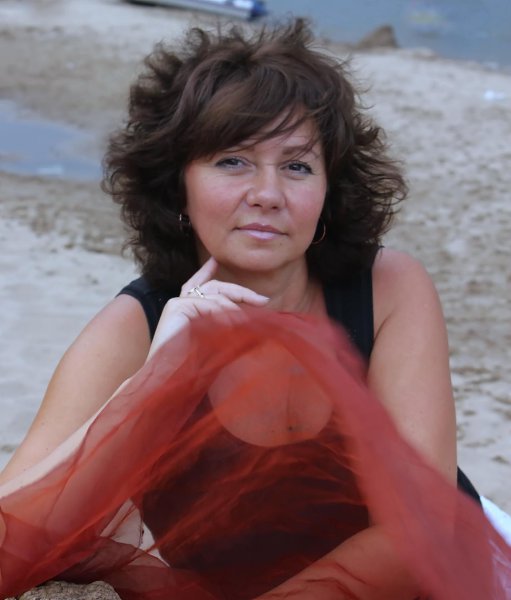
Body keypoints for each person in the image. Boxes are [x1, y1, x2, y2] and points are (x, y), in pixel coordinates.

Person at [0, 18, 509, 600]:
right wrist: (151, 384)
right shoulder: (135, 327)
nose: (268, 194)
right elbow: (11, 538)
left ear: (329, 191)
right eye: (233, 161)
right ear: (178, 185)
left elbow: (419, 533)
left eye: (297, 166)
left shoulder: (388, 289)